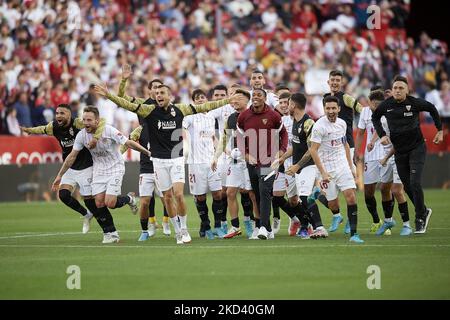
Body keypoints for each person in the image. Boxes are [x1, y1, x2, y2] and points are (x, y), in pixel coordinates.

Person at [94, 83, 245, 244]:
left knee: (178, 194)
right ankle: (178, 231)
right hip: (158, 161)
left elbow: (207, 106)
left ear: (169, 95)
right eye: (157, 93)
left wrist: (227, 100)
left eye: (162, 93)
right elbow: (128, 105)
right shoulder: (149, 110)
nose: (158, 95)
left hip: (176, 159)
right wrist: (109, 95)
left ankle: (185, 230)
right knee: (167, 198)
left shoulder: (180, 109)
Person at [51, 106, 149, 244]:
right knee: (98, 203)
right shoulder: (81, 135)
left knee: (110, 203)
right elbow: (71, 157)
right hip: (98, 170)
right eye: (84, 120)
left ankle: (129, 199)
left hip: (115, 168)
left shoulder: (109, 130)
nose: (86, 123)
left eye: (89, 120)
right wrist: (60, 175)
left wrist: (147, 153)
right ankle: (111, 234)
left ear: (97, 121)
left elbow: (128, 143)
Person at [372, 75, 443, 234]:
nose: (397, 91)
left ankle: (419, 217)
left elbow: (431, 108)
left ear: (407, 90)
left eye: (401, 88)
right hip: (400, 151)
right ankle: (424, 210)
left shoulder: (414, 102)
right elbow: (375, 117)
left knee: (415, 182)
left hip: (417, 148)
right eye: (395, 88)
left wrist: (439, 130)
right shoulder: (386, 105)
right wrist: (382, 134)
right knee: (408, 186)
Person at [21, 103, 106, 234]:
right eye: (57, 113)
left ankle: (107, 229)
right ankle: (86, 214)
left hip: (86, 166)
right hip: (69, 167)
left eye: (62, 113)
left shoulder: (78, 123)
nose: (58, 116)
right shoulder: (54, 126)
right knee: (63, 195)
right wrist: (30, 130)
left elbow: (102, 122)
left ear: (69, 115)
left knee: (91, 201)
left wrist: (95, 138)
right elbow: (42, 129)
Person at [117, 65, 170, 240]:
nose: (156, 91)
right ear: (149, 91)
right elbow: (121, 97)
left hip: (163, 149)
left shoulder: (168, 106)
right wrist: (124, 79)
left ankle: (166, 222)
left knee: (166, 195)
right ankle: (151, 224)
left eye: (159, 88)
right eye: (153, 88)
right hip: (146, 143)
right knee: (148, 197)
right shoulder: (142, 103)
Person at [309, 96, 364, 243]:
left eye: (334, 108)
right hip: (326, 168)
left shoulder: (342, 124)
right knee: (333, 204)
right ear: (324, 109)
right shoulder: (319, 126)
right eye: (328, 108)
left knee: (351, 196)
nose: (331, 111)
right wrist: (322, 172)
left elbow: (345, 144)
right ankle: (335, 214)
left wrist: (351, 166)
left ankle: (354, 234)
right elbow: (313, 150)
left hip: (341, 165)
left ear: (339, 109)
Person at [237, 88, 288, 240]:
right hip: (251, 161)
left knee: (265, 191)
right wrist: (246, 155)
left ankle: (263, 228)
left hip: (269, 161)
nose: (256, 97)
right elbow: (239, 139)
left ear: (265, 98)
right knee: (257, 193)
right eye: (254, 95)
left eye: (259, 95)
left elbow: (283, 133)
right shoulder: (243, 116)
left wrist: (281, 151)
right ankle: (265, 227)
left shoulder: (273, 115)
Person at [282, 93, 328, 239]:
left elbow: (311, 149)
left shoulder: (308, 123)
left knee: (304, 197)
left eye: (288, 104)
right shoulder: (295, 120)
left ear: (293, 105)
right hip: (299, 167)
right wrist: (282, 158)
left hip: (308, 165)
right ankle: (310, 225)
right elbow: (296, 146)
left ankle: (319, 227)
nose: (286, 107)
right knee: (299, 199)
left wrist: (297, 165)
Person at [322, 69, 363, 232]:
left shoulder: (346, 97)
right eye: (332, 80)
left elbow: (360, 109)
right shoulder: (325, 98)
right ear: (328, 81)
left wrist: (369, 118)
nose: (335, 82)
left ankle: (349, 221)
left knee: (349, 188)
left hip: (347, 146)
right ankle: (337, 215)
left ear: (342, 82)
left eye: (338, 80)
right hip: (330, 148)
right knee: (324, 191)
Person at [212, 89, 256, 239]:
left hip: (252, 160)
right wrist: (215, 157)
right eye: (233, 99)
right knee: (230, 192)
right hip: (236, 160)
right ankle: (236, 226)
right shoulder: (231, 118)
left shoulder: (254, 115)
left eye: (238, 98)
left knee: (252, 194)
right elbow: (224, 139)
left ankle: (258, 226)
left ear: (247, 100)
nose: (235, 101)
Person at [183, 89, 224, 239]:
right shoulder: (190, 117)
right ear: (194, 102)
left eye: (202, 97)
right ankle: (205, 225)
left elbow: (213, 137)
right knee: (200, 197)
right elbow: (182, 128)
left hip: (212, 161)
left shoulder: (211, 117)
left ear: (206, 99)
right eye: (197, 98)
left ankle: (218, 225)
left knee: (218, 194)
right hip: (195, 163)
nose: (200, 100)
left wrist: (220, 151)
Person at [354, 89, 395, 235]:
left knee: (386, 189)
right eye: (374, 104)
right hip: (370, 156)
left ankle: (388, 221)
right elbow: (360, 133)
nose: (376, 107)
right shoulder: (365, 112)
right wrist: (356, 152)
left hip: (386, 153)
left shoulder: (387, 110)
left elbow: (381, 128)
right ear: (369, 103)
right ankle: (376, 220)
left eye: (379, 104)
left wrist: (372, 141)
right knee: (368, 193)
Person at [271, 92, 304, 236]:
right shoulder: (278, 121)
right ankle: (297, 219)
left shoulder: (302, 119)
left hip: (300, 164)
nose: (284, 105)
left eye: (287, 102)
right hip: (283, 164)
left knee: (298, 199)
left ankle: (309, 224)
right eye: (281, 102)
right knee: (277, 196)